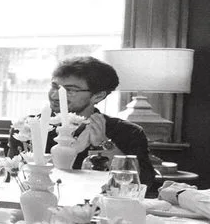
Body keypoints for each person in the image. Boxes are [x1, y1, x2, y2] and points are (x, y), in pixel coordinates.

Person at [51, 56, 159, 187]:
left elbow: (144, 183)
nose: (55, 95)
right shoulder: (36, 126)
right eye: (54, 86)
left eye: (70, 90)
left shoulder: (128, 132)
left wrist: (104, 144)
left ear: (98, 96)